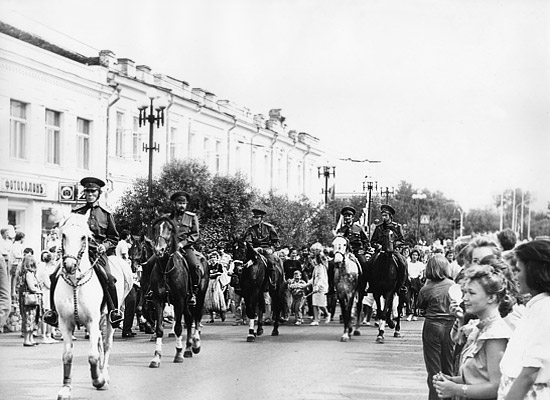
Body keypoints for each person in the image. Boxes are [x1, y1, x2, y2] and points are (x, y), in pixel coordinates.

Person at [43, 176, 123, 328]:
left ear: (99, 193)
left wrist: (104, 246)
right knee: (54, 275)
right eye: (87, 192)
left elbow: (114, 237)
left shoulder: (106, 214)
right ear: (84, 193)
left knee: (109, 279)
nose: (90, 194)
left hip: (97, 253)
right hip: (76, 252)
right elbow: (67, 233)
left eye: (93, 192)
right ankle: (53, 312)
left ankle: (114, 312)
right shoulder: (76, 212)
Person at [433, 264, 513, 399]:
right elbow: (478, 377)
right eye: (464, 292)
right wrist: (452, 381)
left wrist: (456, 389)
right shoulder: (480, 328)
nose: (465, 298)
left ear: (491, 298)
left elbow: (497, 387)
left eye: (472, 293)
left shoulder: (495, 335)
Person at [498, 240, 550, 400]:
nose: (515, 276)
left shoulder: (544, 309)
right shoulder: (536, 306)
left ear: (534, 272)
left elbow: (529, 373)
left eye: (519, 270)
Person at [417, 254, 456, 400]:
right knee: (449, 366)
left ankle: (435, 397)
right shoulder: (453, 286)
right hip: (451, 326)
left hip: (432, 326)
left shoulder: (426, 289)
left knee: (433, 369)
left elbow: (420, 307)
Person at [369, 204, 408, 290]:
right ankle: (371, 284)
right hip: (381, 251)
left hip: (393, 251)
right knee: (370, 262)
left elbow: (402, 240)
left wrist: (394, 245)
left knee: (402, 263)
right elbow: (373, 241)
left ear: (390, 216)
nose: (383, 217)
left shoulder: (397, 227)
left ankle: (402, 284)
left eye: (385, 215)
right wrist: (377, 245)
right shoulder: (379, 228)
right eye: (382, 215)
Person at [243, 208, 281, 291]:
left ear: (261, 218)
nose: (255, 219)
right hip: (255, 251)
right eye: (254, 218)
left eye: (257, 218)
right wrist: (253, 249)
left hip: (266, 250)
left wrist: (271, 249)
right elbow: (248, 241)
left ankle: (272, 282)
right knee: (242, 264)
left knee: (271, 262)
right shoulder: (250, 229)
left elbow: (276, 242)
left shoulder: (269, 228)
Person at [336, 206, 371, 275]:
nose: (347, 218)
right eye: (345, 216)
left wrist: (364, 250)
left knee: (365, 265)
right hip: (344, 253)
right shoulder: (341, 230)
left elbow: (366, 241)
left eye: (349, 216)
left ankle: (364, 284)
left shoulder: (358, 229)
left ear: (352, 217)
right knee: (332, 265)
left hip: (357, 252)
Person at [18, 254, 42, 346]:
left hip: (26, 298)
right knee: (29, 318)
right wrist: (39, 291)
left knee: (31, 318)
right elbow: (31, 287)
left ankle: (30, 338)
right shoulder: (28, 274)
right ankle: (27, 339)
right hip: (29, 299)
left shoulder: (25, 273)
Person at [36, 251, 58, 343]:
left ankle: (49, 335)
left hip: (50, 294)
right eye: (53, 259)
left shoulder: (49, 270)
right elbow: (48, 285)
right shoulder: (44, 271)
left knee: (50, 313)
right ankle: (44, 335)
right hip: (46, 294)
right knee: (45, 315)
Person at [308, 242, 330, 325]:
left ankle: (327, 314)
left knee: (321, 304)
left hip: (321, 287)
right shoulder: (316, 267)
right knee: (314, 304)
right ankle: (316, 320)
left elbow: (321, 278)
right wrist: (307, 283)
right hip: (315, 287)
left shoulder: (321, 267)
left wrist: (317, 286)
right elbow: (314, 278)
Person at [9, 231, 25, 300]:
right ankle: (13, 292)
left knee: (16, 278)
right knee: (14, 278)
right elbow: (16, 255)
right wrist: (23, 256)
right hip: (15, 264)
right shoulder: (16, 245)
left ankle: (14, 291)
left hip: (17, 263)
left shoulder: (17, 245)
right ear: (21, 238)